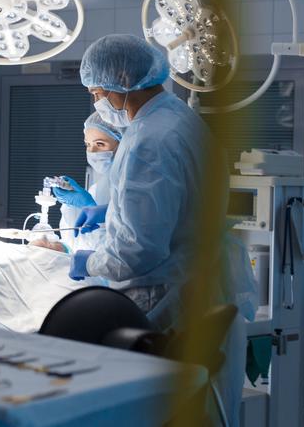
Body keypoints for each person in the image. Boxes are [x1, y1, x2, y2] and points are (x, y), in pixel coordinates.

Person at [71, 34, 255, 426]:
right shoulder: (179, 119)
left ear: (116, 87)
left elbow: (136, 253)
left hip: (170, 304)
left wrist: (89, 262)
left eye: (96, 93)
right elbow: (183, 202)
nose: (97, 104)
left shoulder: (148, 139)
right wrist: (113, 210)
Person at [31, 112, 122, 253]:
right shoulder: (99, 187)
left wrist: (89, 206)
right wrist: (60, 248)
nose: (92, 151)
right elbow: (78, 244)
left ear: (122, 145)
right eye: (87, 144)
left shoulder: (130, 187)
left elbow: (116, 249)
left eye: (100, 144)